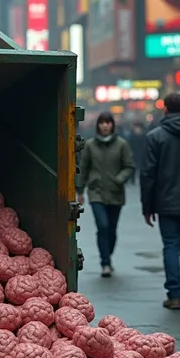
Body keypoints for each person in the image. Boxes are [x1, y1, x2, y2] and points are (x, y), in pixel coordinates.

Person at [140, 92, 180, 310]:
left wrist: (147, 207)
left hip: (167, 203)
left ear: (165, 108)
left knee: (171, 246)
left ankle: (174, 294)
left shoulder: (155, 137)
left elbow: (148, 174)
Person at [77, 112, 134, 277]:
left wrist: (119, 179)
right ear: (98, 125)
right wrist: (80, 191)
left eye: (108, 123)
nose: (105, 126)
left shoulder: (122, 144)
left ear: (112, 125)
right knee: (102, 226)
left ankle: (108, 254)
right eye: (102, 123)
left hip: (116, 193)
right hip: (96, 193)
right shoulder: (90, 145)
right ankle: (105, 262)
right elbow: (84, 168)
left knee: (111, 229)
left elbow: (129, 166)